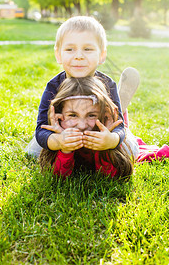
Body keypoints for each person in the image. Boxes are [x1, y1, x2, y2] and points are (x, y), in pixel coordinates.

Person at [25, 16, 140, 157]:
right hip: (65, 133)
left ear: (102, 55)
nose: (79, 56)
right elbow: (42, 128)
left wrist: (111, 140)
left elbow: (119, 128)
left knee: (132, 151)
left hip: (99, 132)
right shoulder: (53, 86)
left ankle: (117, 108)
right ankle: (119, 106)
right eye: (69, 49)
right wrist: (59, 141)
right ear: (58, 55)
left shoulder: (108, 84)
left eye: (87, 49)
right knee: (33, 152)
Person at [39, 76, 134, 179]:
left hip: (115, 131)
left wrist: (105, 146)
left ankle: (121, 114)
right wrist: (66, 149)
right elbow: (58, 176)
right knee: (32, 151)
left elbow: (114, 175)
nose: (82, 125)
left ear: (103, 115)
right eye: (73, 115)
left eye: (91, 115)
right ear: (59, 116)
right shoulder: (59, 136)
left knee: (131, 147)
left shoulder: (106, 135)